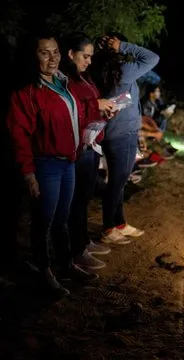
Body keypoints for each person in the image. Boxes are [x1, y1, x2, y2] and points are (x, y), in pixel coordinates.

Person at [7, 33, 108, 295]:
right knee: (44, 221)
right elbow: (19, 136)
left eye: (56, 52)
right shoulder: (28, 93)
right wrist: (29, 174)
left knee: (62, 218)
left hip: (68, 163)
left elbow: (75, 116)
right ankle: (43, 270)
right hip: (46, 165)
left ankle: (65, 264)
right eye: (44, 52)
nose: (52, 58)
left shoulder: (63, 83)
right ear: (33, 56)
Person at [92, 32, 159, 244]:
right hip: (121, 135)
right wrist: (123, 46)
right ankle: (108, 228)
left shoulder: (104, 70)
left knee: (119, 181)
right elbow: (152, 58)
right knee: (117, 182)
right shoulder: (123, 71)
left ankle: (119, 222)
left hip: (119, 131)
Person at [61, 32, 115, 271]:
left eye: (91, 56)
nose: (89, 61)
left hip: (91, 144)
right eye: (85, 56)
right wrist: (96, 105)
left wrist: (103, 109)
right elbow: (69, 110)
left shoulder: (82, 77)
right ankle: (76, 250)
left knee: (84, 198)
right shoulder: (64, 80)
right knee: (76, 201)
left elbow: (87, 107)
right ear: (70, 54)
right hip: (78, 147)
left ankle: (82, 242)